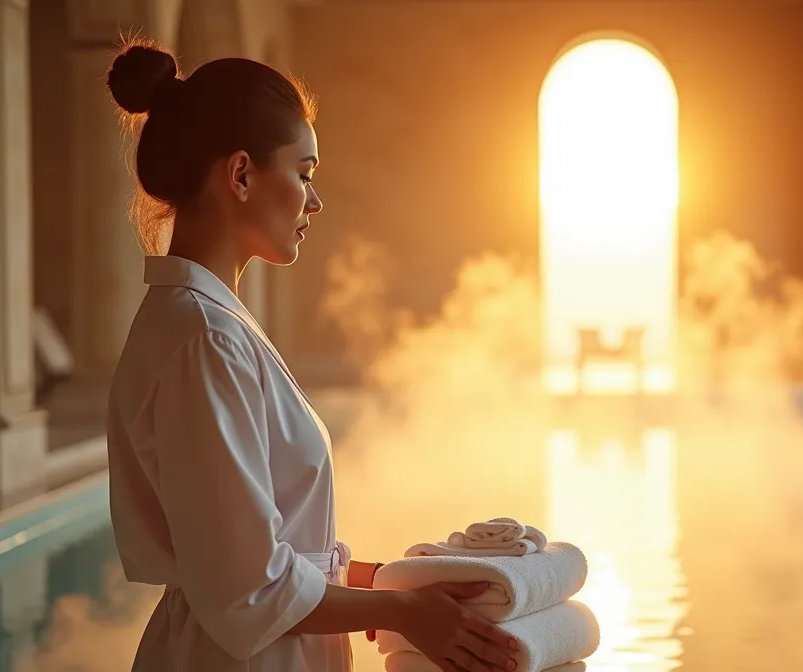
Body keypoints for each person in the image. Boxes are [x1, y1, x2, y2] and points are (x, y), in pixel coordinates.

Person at [103, 41, 521, 672]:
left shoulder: (212, 327)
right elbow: (249, 588)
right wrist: (403, 614)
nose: (314, 202)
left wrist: (387, 580)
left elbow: (258, 548)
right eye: (304, 174)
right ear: (241, 175)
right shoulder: (204, 343)